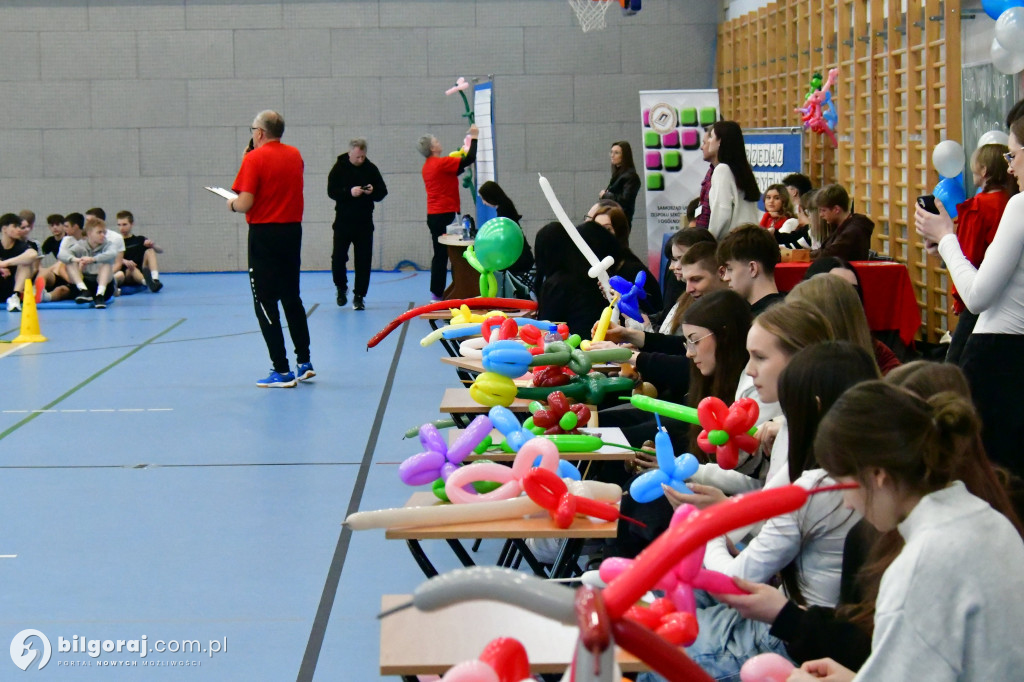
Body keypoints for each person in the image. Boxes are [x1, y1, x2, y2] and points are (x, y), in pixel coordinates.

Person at [642, 343, 877, 682]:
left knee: (651, 649)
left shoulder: (820, 483)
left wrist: (712, 529)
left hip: (788, 637)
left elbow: (738, 580)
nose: (750, 370)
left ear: (813, 407)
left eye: (761, 356)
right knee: (657, 597)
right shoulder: (828, 462)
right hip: (794, 618)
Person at [788, 381, 1024, 682]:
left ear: (877, 475)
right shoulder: (987, 520)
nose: (847, 504)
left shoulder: (921, 565)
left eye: (844, 485)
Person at [915, 115, 1024, 478]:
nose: (1010, 169)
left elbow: (978, 296)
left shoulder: (1020, 206)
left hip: (1001, 357)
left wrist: (947, 238)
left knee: (994, 480)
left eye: (1012, 156)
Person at [229, 109, 314, 388]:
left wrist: (231, 203)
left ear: (260, 132)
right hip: (292, 232)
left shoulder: (254, 159)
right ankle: (304, 361)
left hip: (265, 234)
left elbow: (245, 202)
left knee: (265, 302)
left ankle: (282, 369)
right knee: (292, 297)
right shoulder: (295, 155)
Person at [943, 143, 1016, 364]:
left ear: (983, 170)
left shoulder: (978, 207)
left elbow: (969, 255)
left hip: (978, 290)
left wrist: (959, 299)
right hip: (1006, 296)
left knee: (956, 364)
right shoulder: (1010, 201)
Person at [419, 124, 478, 301]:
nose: (439, 142)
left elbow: (456, 169)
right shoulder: (440, 163)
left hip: (434, 215)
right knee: (450, 255)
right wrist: (474, 138)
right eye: (436, 141)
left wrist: (461, 154)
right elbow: (469, 160)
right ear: (432, 148)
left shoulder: (429, 166)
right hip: (445, 215)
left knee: (440, 254)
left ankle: (436, 293)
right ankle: (453, 289)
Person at [327, 137, 388, 310]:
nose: (360, 160)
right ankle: (341, 287)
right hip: (343, 223)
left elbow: (382, 192)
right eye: (357, 157)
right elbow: (331, 191)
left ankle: (359, 296)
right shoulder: (339, 168)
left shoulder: (371, 169)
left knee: (363, 261)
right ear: (350, 153)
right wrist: (349, 192)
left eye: (363, 157)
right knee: (338, 258)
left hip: (364, 223)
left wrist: (373, 191)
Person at [534, 221, 608, 339]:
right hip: (600, 342)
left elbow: (546, 327)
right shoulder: (590, 273)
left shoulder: (556, 284)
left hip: (574, 347)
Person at [590, 203, 662, 314]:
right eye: (596, 228)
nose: (599, 234)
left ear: (620, 232)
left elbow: (654, 310)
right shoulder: (599, 266)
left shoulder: (633, 268)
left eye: (607, 229)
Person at [699, 121, 761, 239]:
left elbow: (722, 213)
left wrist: (710, 240)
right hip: (750, 239)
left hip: (732, 243)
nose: (708, 141)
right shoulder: (742, 171)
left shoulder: (722, 170)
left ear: (720, 141)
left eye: (711, 136)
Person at [716, 224, 785, 315]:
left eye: (730, 269)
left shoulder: (762, 323)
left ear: (752, 268)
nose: (725, 278)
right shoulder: (790, 309)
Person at [658, 227, 716, 334]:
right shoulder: (685, 296)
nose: (672, 267)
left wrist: (644, 332)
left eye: (680, 259)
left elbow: (680, 344)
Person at [477, 180, 534, 286]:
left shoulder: (504, 209)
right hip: (520, 253)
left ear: (490, 196)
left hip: (518, 257)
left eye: (484, 198)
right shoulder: (505, 205)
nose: (484, 202)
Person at [59, 216, 118, 308]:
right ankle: (83, 290)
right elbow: (61, 255)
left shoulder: (108, 244)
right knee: (69, 262)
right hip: (86, 282)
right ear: (89, 233)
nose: (103, 235)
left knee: (107, 262)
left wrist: (92, 259)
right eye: (99, 232)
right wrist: (77, 260)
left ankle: (100, 295)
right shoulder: (80, 245)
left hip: (103, 284)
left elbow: (112, 253)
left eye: (104, 232)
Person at [811, 184, 874, 261]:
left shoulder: (853, 231)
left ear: (836, 209)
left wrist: (804, 255)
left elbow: (829, 255)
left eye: (823, 210)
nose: (820, 215)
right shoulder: (839, 226)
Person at [115, 211, 164, 293]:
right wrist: (124, 261)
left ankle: (155, 280)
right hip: (126, 273)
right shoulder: (116, 241)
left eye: (124, 224)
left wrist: (153, 245)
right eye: (119, 225)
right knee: (131, 268)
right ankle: (147, 283)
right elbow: (112, 257)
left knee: (150, 250)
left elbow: (160, 251)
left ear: (132, 224)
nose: (121, 228)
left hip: (140, 271)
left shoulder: (140, 240)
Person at [0, 213, 39, 312]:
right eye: (15, 226)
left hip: (12, 286)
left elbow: (32, 255)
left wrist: (5, 263)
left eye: (19, 227)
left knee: (25, 264)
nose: (19, 229)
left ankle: (15, 297)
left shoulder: (21, 246)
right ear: (4, 228)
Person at [599, 141, 641, 223]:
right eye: (611, 152)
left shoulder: (631, 177)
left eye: (616, 153)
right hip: (613, 217)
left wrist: (605, 195)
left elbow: (625, 201)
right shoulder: (619, 174)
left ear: (625, 156)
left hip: (620, 221)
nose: (612, 155)